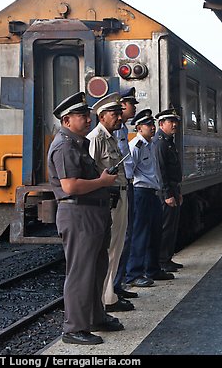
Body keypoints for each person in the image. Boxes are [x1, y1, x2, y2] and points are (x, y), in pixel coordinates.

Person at [47, 92, 123, 345]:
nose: (88, 120)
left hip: (91, 212)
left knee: (97, 268)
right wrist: (102, 181)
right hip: (79, 213)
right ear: (67, 120)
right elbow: (70, 186)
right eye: (82, 116)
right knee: (81, 272)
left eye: (87, 115)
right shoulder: (65, 146)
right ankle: (74, 328)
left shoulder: (77, 143)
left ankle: (95, 316)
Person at [86, 92, 134, 313]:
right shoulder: (96, 138)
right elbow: (92, 171)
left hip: (120, 194)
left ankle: (109, 294)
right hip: (110, 198)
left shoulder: (111, 137)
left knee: (117, 246)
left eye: (118, 113)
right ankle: (106, 298)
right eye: (114, 114)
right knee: (109, 248)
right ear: (102, 116)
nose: (119, 117)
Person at [125, 109, 175, 288]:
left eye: (153, 125)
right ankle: (134, 274)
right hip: (141, 193)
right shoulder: (135, 146)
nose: (152, 128)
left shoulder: (151, 144)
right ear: (139, 128)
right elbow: (130, 173)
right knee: (140, 234)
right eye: (148, 125)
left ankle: (153, 269)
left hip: (152, 193)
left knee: (155, 232)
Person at [112, 88, 139, 300]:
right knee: (119, 238)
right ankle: (113, 286)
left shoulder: (121, 130)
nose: (133, 107)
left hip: (126, 185)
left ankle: (118, 284)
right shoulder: (113, 132)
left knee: (125, 237)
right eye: (131, 104)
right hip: (118, 188)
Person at [154, 108, 185, 273]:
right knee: (166, 227)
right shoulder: (160, 142)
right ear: (161, 124)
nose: (174, 125)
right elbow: (161, 171)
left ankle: (167, 259)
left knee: (172, 227)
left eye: (175, 122)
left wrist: (177, 191)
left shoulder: (169, 141)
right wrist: (167, 194)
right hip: (166, 191)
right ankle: (162, 261)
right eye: (170, 122)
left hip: (173, 187)